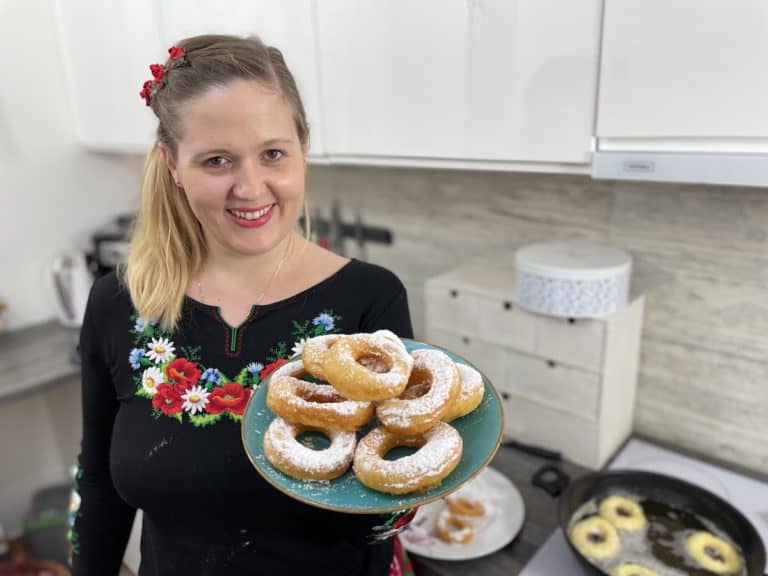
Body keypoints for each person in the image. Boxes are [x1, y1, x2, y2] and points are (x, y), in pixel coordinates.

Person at [69, 34, 415, 576]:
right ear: (173, 163)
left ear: (304, 145)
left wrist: (410, 492)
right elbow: (97, 483)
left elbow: (380, 511)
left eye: (272, 153)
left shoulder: (370, 299)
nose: (250, 188)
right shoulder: (119, 303)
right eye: (216, 161)